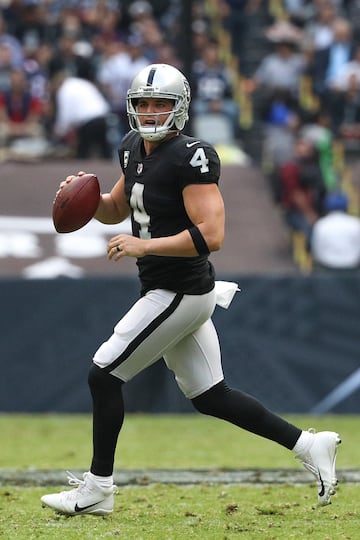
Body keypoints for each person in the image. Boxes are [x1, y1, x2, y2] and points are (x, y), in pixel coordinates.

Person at [40, 63, 341, 517]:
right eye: (143, 103)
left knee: (103, 374)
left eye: (160, 103)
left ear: (179, 108)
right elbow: (116, 207)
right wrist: (83, 198)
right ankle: (309, 444)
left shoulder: (191, 156)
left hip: (179, 290)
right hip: (170, 288)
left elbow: (212, 234)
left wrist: (145, 244)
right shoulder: (131, 149)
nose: (151, 111)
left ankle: (98, 488)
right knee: (210, 396)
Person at [311, 190, 360, 270]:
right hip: (352, 268)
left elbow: (316, 250)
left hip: (327, 268)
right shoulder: (355, 224)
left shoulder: (321, 224)